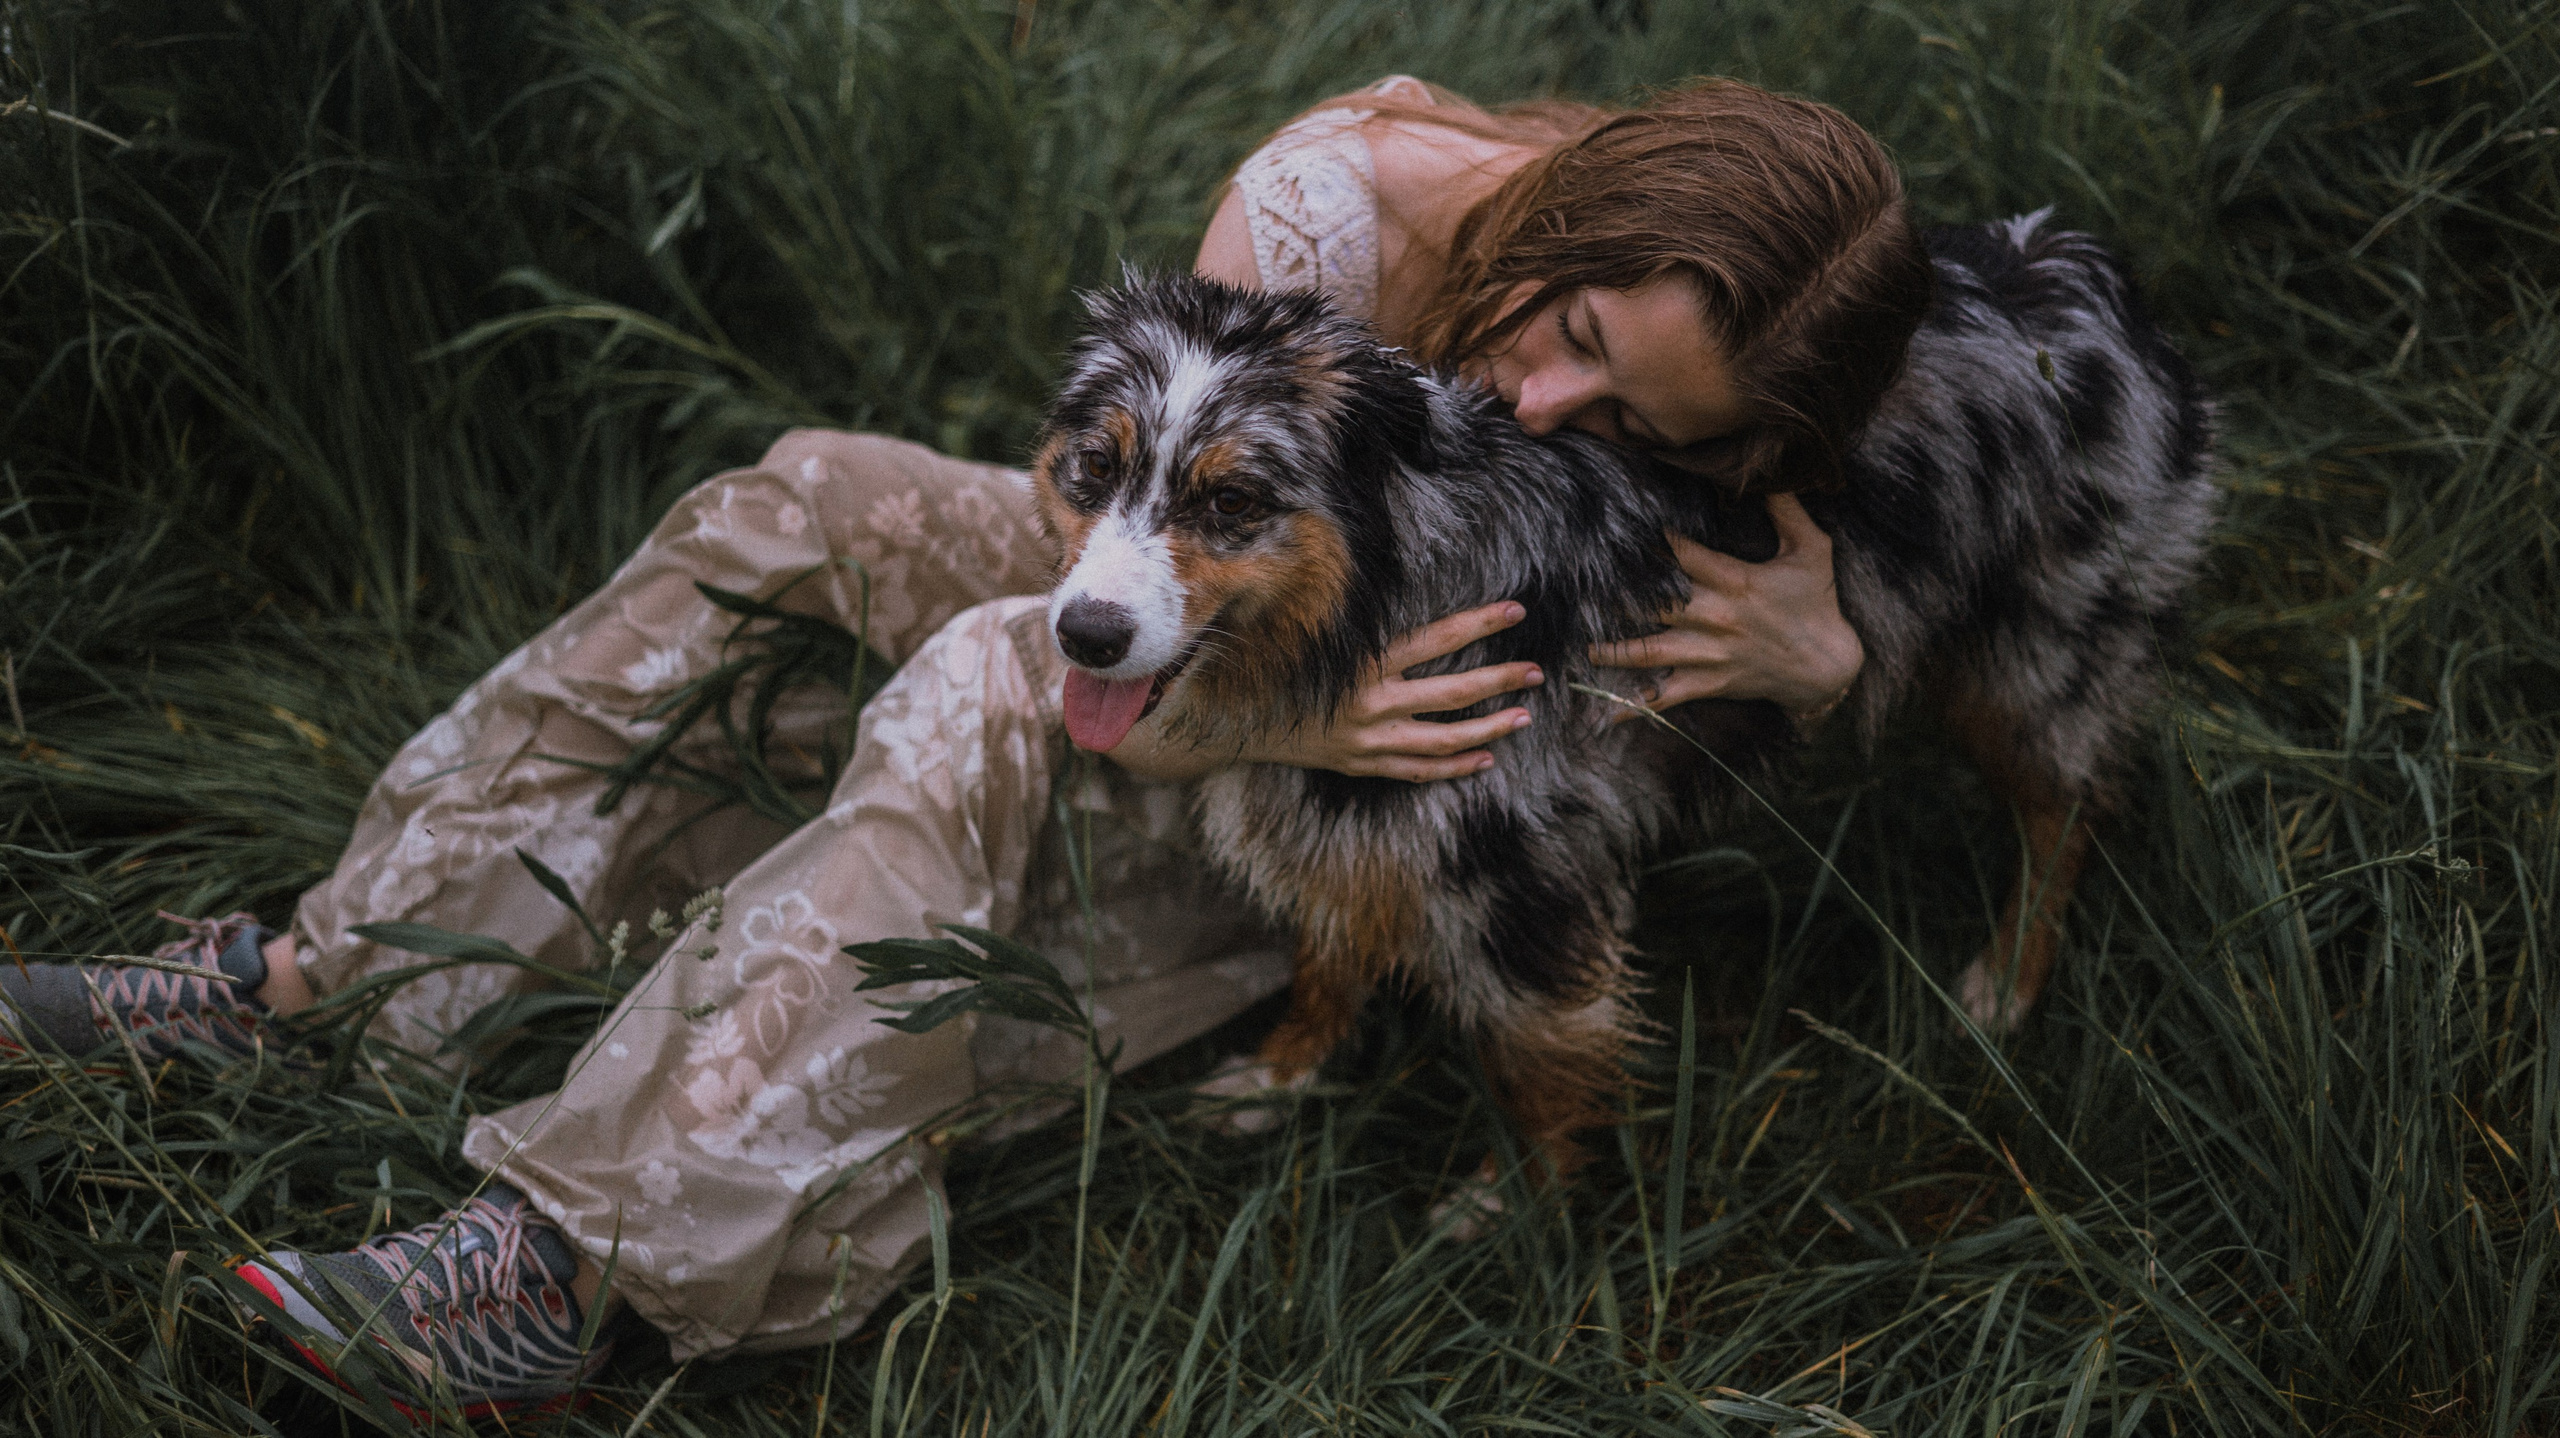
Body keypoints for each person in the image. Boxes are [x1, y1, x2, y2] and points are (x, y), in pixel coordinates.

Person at [1, 76, 1928, 1419]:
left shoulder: (1748, 370)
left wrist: (1828, 650)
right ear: (1582, 208)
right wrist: (1277, 696)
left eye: (1633, 406)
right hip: (1241, 664)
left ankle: (558, 1265)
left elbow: (1889, 578)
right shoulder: (1332, 202)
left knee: (990, 679)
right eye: (1567, 321)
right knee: (813, 496)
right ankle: (313, 978)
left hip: (1361, 820)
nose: (1547, 394)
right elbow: (1119, 539)